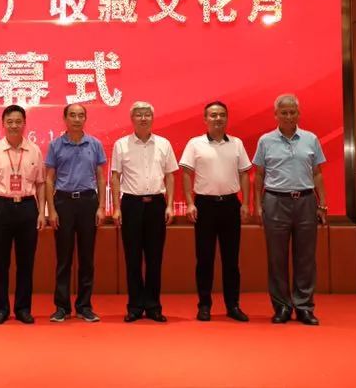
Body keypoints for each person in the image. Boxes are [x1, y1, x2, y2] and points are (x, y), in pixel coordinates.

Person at [254, 94, 328, 326]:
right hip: (275, 201)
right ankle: (282, 306)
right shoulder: (265, 140)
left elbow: (317, 173)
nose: (288, 116)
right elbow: (259, 175)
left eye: (292, 112)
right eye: (283, 112)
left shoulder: (310, 139)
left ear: (298, 114)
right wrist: (257, 204)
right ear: (276, 115)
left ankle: (304, 307)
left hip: (305, 201)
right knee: (276, 258)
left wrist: (322, 203)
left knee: (306, 258)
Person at [180, 101, 251, 323]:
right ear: (205, 119)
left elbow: (244, 174)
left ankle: (233, 305)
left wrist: (246, 203)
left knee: (231, 260)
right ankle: (204, 305)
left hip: (230, 205)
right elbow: (185, 174)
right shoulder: (195, 143)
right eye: (213, 115)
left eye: (221, 115)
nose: (217, 118)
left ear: (227, 118)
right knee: (204, 259)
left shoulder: (237, 143)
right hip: (205, 206)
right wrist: (190, 203)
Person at [111, 101, 178, 323]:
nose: (143, 118)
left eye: (147, 114)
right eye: (139, 115)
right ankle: (135, 306)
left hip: (156, 204)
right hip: (131, 204)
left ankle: (153, 306)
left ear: (152, 118)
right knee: (132, 258)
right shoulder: (121, 144)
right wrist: (117, 208)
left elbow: (170, 175)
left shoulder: (164, 144)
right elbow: (115, 177)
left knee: (154, 258)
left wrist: (169, 205)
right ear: (132, 119)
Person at [0, 105, 46, 324]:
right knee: (0, 262)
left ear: (24, 123)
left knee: (26, 262)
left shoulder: (35, 150)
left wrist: (42, 212)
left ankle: (23, 308)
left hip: (27, 207)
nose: (14, 125)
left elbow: (41, 183)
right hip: (1, 207)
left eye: (18, 121)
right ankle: (0, 309)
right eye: (10, 121)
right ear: (3, 124)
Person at [45, 104, 107, 323]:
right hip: (63, 202)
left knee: (86, 258)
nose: (77, 119)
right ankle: (62, 307)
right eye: (72, 115)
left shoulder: (95, 144)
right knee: (64, 258)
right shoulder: (55, 145)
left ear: (85, 119)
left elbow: (100, 177)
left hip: (88, 202)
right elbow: (49, 179)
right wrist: (51, 210)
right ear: (65, 119)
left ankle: (84, 306)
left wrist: (101, 206)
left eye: (81, 115)